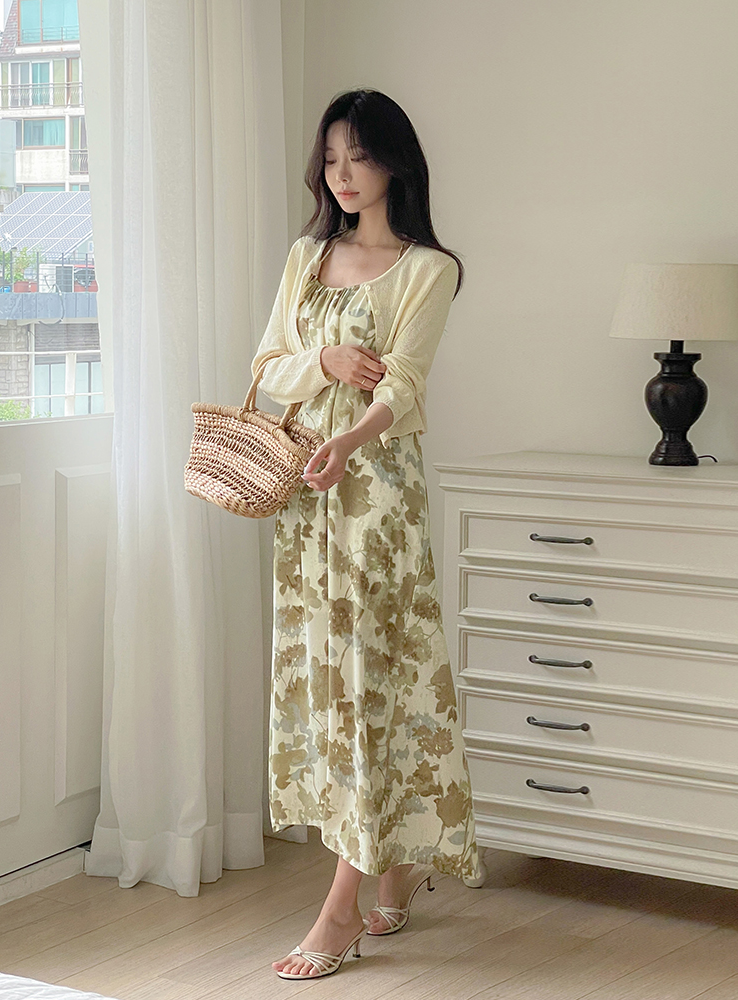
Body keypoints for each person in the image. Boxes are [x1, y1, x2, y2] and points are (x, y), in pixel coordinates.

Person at [252, 89, 479, 981]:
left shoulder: (429, 269)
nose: (343, 175)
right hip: (303, 499)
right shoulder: (306, 257)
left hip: (375, 497)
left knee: (373, 683)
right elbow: (267, 369)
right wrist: (326, 362)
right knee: (328, 685)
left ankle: (341, 908)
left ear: (395, 162)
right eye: (332, 158)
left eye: (360, 156)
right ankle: (396, 861)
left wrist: (348, 440)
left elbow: (406, 385)